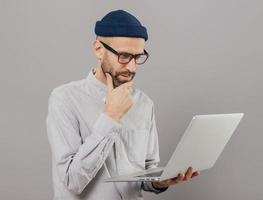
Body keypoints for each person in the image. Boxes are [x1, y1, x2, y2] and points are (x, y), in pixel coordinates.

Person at [46, 9, 200, 200]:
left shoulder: (144, 103)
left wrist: (159, 182)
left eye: (137, 57)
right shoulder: (64, 99)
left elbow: (147, 170)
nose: (132, 67)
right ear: (98, 49)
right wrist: (110, 117)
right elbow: (72, 181)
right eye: (124, 56)